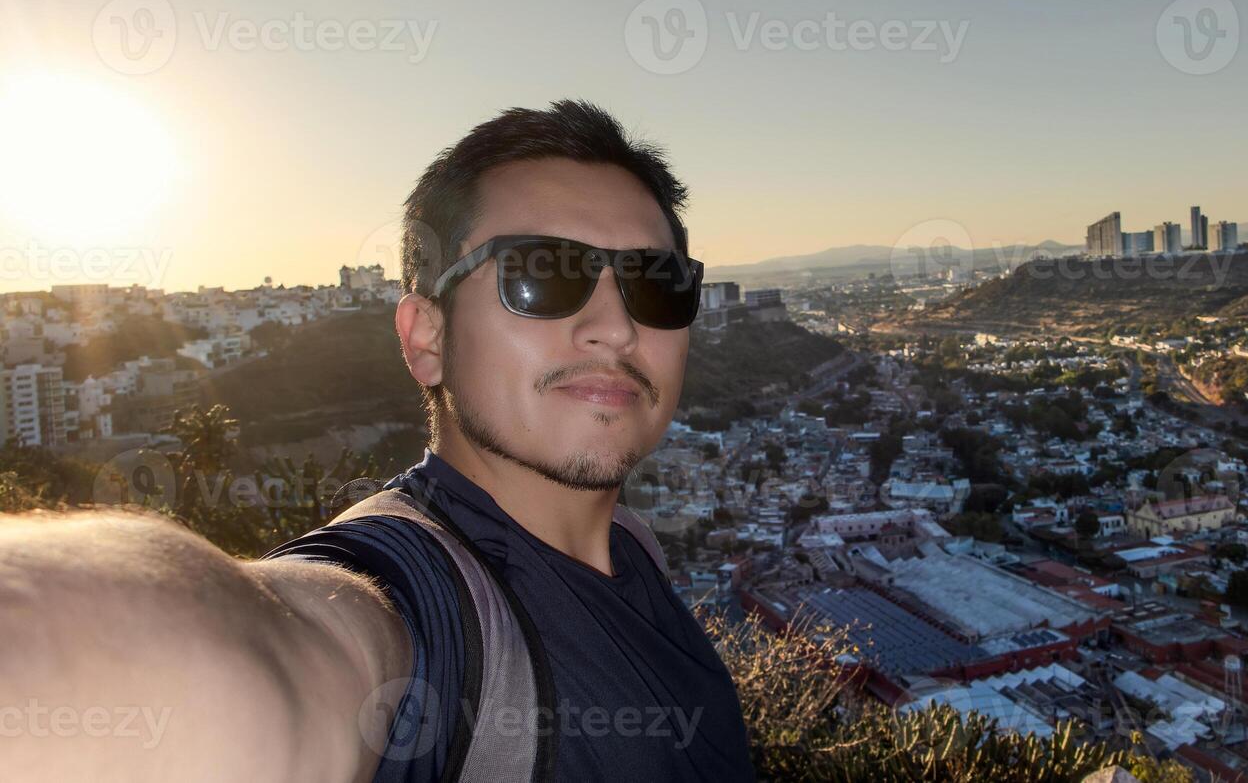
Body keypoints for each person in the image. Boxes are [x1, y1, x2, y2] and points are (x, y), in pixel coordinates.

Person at [0, 100, 756, 782]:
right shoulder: (415, 609)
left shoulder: (633, 547)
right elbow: (248, 659)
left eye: (655, 284)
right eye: (542, 276)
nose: (617, 326)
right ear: (426, 338)